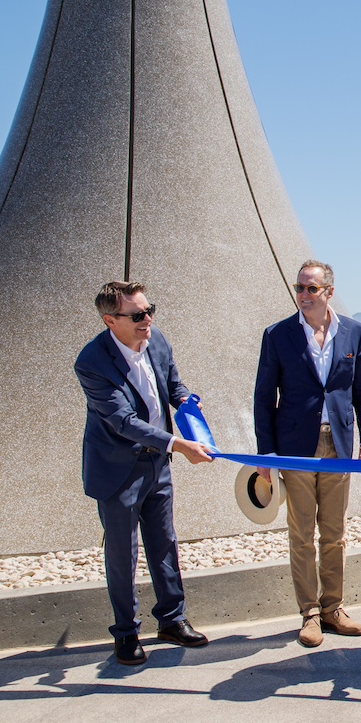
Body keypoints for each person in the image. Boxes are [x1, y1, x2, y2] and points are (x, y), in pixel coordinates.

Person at [74, 281, 215, 665]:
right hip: (118, 471)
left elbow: (173, 384)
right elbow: (122, 420)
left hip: (158, 464)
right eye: (137, 315)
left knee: (164, 543)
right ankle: (125, 634)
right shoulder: (91, 362)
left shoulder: (157, 339)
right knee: (123, 553)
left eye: (149, 309)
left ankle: (172, 620)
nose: (147, 319)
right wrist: (178, 444)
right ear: (110, 320)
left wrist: (186, 403)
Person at [254, 260, 361, 648]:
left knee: (335, 533)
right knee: (301, 533)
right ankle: (309, 612)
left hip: (338, 445)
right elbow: (263, 397)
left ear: (329, 292)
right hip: (294, 448)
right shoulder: (278, 334)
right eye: (300, 288)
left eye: (312, 289)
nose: (304, 295)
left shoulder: (353, 332)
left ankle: (333, 607)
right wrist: (266, 456)